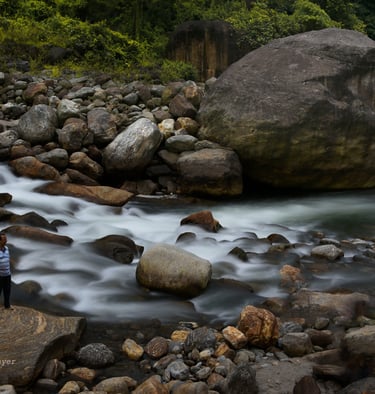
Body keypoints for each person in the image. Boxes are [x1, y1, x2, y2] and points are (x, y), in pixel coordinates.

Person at [0, 231, 12, 310]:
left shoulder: (7, 248)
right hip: (0, 275)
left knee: (7, 291)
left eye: (6, 239)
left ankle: (7, 306)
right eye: (4, 239)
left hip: (7, 274)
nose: (6, 241)